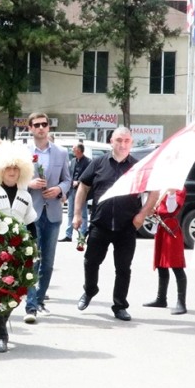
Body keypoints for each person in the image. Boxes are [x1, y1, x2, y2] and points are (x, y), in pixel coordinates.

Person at [73, 126, 158, 322]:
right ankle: (90, 290)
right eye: (119, 140)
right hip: (100, 224)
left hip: (126, 226)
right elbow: (83, 189)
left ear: (132, 143)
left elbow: (154, 192)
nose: (123, 144)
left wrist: (142, 215)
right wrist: (77, 214)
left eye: (127, 141)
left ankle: (120, 305)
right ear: (111, 141)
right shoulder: (98, 163)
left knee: (123, 268)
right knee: (91, 262)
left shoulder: (138, 167)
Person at [0, 140, 37, 352]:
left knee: (15, 293)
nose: (12, 172)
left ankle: (4, 319)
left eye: (16, 168)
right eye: (8, 168)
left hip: (19, 251)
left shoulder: (25, 196)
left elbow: (31, 226)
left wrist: (34, 249)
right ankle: (1, 336)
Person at [23, 112, 71, 324]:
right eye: (37, 125)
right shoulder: (23, 152)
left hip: (52, 212)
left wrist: (59, 189)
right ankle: (31, 306)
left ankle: (40, 300)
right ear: (30, 128)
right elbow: (12, 180)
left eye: (44, 124)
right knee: (32, 260)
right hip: (31, 212)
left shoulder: (60, 152)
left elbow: (68, 179)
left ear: (48, 128)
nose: (41, 128)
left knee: (48, 263)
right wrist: (29, 184)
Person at [143, 188, 187, 315]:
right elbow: (156, 209)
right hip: (161, 227)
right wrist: (151, 209)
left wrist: (171, 194)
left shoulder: (179, 189)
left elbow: (171, 209)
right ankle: (161, 298)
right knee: (161, 265)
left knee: (176, 266)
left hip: (170, 228)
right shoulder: (162, 187)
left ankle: (181, 302)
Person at [60, 143, 91, 242]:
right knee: (70, 212)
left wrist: (78, 182)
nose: (72, 150)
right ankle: (68, 235)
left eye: (74, 148)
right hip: (72, 190)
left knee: (83, 213)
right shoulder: (73, 161)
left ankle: (82, 235)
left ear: (79, 150)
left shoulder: (88, 162)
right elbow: (69, 174)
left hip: (82, 191)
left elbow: (89, 176)